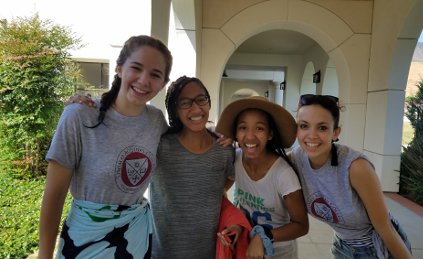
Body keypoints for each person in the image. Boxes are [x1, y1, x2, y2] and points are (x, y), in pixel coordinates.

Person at [38, 35, 173, 259]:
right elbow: (54, 195)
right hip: (85, 240)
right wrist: (44, 254)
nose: (143, 80)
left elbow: (185, 146)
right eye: (136, 68)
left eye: (155, 74)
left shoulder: (156, 121)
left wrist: (217, 136)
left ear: (163, 83)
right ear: (119, 69)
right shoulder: (79, 115)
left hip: (136, 239)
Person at [289, 94, 412, 259]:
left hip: (376, 248)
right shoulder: (295, 160)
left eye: (322, 128)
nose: (312, 135)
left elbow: (385, 227)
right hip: (342, 244)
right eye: (304, 126)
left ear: (335, 132)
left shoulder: (356, 167)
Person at [149, 75, 238, 258]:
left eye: (201, 99)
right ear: (174, 109)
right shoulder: (160, 146)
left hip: (209, 252)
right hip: (164, 253)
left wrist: (206, 193)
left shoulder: (223, 149)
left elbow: (228, 179)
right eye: (185, 103)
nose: (196, 108)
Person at [216, 96, 310, 259]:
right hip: (245, 246)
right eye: (243, 128)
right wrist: (236, 222)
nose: (250, 136)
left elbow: (301, 226)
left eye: (259, 128)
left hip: (279, 252)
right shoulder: (236, 160)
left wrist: (264, 236)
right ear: (236, 134)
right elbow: (221, 190)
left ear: (270, 134)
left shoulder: (283, 174)